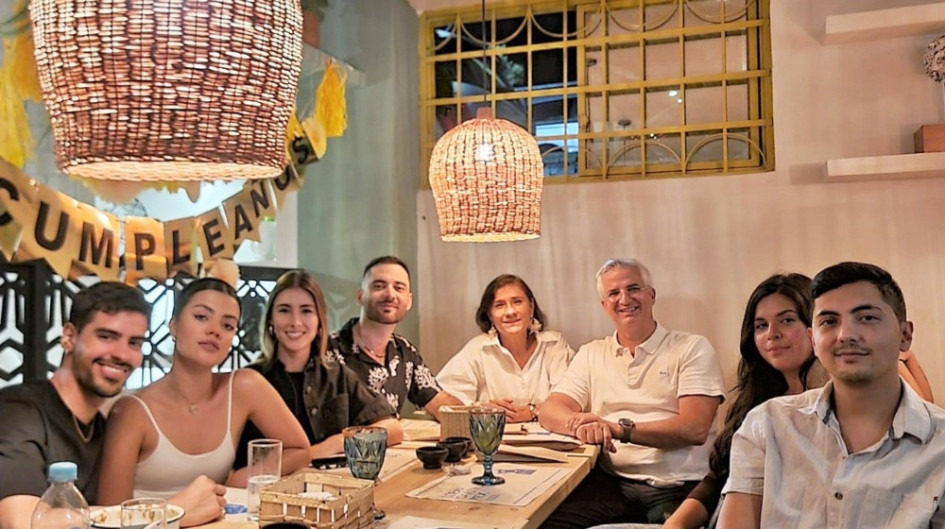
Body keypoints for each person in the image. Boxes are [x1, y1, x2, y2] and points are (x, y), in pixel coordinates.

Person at [718, 262, 945, 528]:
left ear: (905, 335)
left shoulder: (937, 444)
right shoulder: (767, 424)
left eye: (867, 317)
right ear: (814, 340)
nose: (845, 335)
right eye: (829, 321)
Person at [97, 278, 310, 526]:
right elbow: (108, 517)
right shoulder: (132, 411)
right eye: (201, 317)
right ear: (173, 326)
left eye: (228, 325)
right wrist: (182, 514)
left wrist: (238, 481)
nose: (215, 330)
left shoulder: (244, 387)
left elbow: (300, 449)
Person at [538, 258, 726, 527]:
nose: (624, 299)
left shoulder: (691, 347)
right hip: (611, 484)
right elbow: (549, 409)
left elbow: (694, 428)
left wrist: (615, 429)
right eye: (613, 293)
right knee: (544, 523)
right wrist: (579, 425)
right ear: (604, 305)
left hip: (677, 487)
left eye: (633, 288)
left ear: (651, 295)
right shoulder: (592, 353)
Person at [662, 274, 829, 529]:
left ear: (814, 327)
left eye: (787, 320)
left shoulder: (836, 402)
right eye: (761, 325)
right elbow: (718, 478)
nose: (773, 334)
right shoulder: (757, 398)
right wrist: (675, 525)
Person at [0, 283, 151, 529]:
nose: (122, 355)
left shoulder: (101, 427)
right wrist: (159, 513)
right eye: (106, 336)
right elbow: (22, 522)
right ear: (69, 336)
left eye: (134, 343)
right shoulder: (19, 411)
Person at [234, 269, 403, 467]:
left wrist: (338, 442)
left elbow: (392, 429)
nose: (295, 322)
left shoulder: (337, 374)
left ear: (319, 322)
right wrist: (310, 455)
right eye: (284, 310)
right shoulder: (250, 381)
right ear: (271, 319)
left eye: (306, 311)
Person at [326, 256, 461, 421]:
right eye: (379, 286)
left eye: (399, 287)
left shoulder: (404, 351)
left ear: (409, 301)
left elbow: (438, 400)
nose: (390, 294)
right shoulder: (328, 350)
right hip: (341, 446)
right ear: (360, 296)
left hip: (392, 445)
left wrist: (480, 413)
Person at [436, 274, 574, 422]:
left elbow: (572, 400)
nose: (510, 312)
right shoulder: (477, 350)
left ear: (531, 306)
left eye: (517, 302)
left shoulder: (554, 345)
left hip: (550, 441)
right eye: (500, 305)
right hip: (494, 442)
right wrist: (481, 410)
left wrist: (532, 411)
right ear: (490, 315)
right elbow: (442, 402)